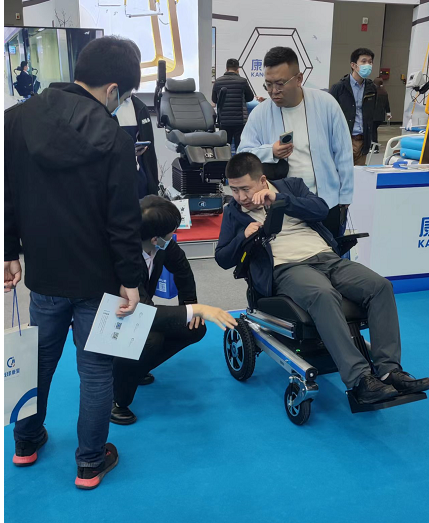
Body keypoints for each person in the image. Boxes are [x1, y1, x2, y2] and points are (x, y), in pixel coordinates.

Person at [4, 36, 144, 490]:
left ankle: (25, 443)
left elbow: (7, 194)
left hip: (44, 274)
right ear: (113, 89)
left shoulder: (15, 120)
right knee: (96, 371)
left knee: (38, 362)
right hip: (98, 278)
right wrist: (131, 278)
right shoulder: (115, 138)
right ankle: (89, 464)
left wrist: (8, 251)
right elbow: (123, 220)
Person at [215, 153, 429, 404]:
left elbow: (320, 210)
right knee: (323, 294)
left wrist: (279, 199)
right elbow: (222, 258)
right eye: (234, 190)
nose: (240, 197)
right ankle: (360, 380)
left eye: (245, 189)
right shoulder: (234, 213)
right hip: (287, 267)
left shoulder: (291, 187)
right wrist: (243, 237)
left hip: (326, 257)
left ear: (262, 181)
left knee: (380, 286)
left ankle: (389, 371)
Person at [111, 196, 237, 425]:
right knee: (150, 340)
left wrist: (189, 303)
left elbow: (182, 269)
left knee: (194, 328)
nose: (174, 235)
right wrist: (198, 308)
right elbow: (143, 313)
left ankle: (137, 368)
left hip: (140, 313)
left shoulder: (162, 244)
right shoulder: (123, 258)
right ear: (155, 238)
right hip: (112, 323)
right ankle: (116, 398)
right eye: (172, 232)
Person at [237, 47, 353, 239]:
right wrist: (271, 151)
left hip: (326, 201)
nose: (274, 91)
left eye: (280, 84)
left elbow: (343, 152)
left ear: (299, 79)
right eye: (268, 84)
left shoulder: (326, 104)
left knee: (330, 252)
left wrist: (345, 195)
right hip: (282, 205)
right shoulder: (260, 114)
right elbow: (243, 156)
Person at [115, 40, 159, 197]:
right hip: (115, 188)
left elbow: (150, 156)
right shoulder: (100, 108)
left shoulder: (139, 108)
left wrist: (153, 187)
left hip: (140, 186)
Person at [330, 48, 377, 166]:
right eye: (364, 61)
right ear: (353, 65)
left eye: (370, 62)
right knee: (342, 173)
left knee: (359, 175)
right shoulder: (339, 88)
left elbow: (371, 114)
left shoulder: (371, 88)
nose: (368, 65)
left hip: (363, 141)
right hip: (345, 141)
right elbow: (329, 115)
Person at [212, 58, 254, 150]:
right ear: (238, 69)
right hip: (240, 121)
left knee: (224, 148)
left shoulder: (218, 81)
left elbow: (214, 100)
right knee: (241, 147)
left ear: (226, 69)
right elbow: (250, 97)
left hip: (224, 120)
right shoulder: (243, 81)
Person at [372, 77, 392, 153]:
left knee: (372, 132)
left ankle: (374, 148)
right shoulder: (384, 92)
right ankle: (374, 147)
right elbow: (387, 104)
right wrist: (388, 113)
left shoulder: (374, 92)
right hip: (380, 116)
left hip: (373, 116)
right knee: (374, 131)